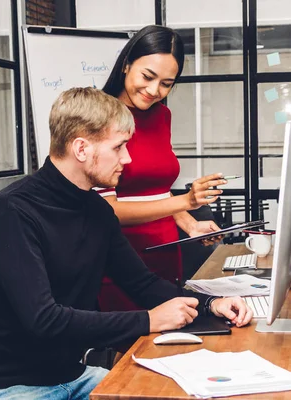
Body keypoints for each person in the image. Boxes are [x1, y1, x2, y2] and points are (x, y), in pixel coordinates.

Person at [0, 87, 252, 400]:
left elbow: (143, 284)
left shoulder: (97, 211)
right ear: (81, 149)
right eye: (119, 146)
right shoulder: (12, 211)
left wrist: (211, 304)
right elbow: (43, 320)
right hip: (6, 387)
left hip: (73, 376)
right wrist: (149, 320)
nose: (127, 158)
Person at [98, 25, 227, 312]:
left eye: (167, 83)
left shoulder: (161, 116)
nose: (154, 90)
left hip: (167, 252)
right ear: (127, 63)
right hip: (121, 264)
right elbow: (109, 211)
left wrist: (190, 224)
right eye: (147, 76)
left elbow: (156, 189)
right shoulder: (99, 117)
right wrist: (186, 201)